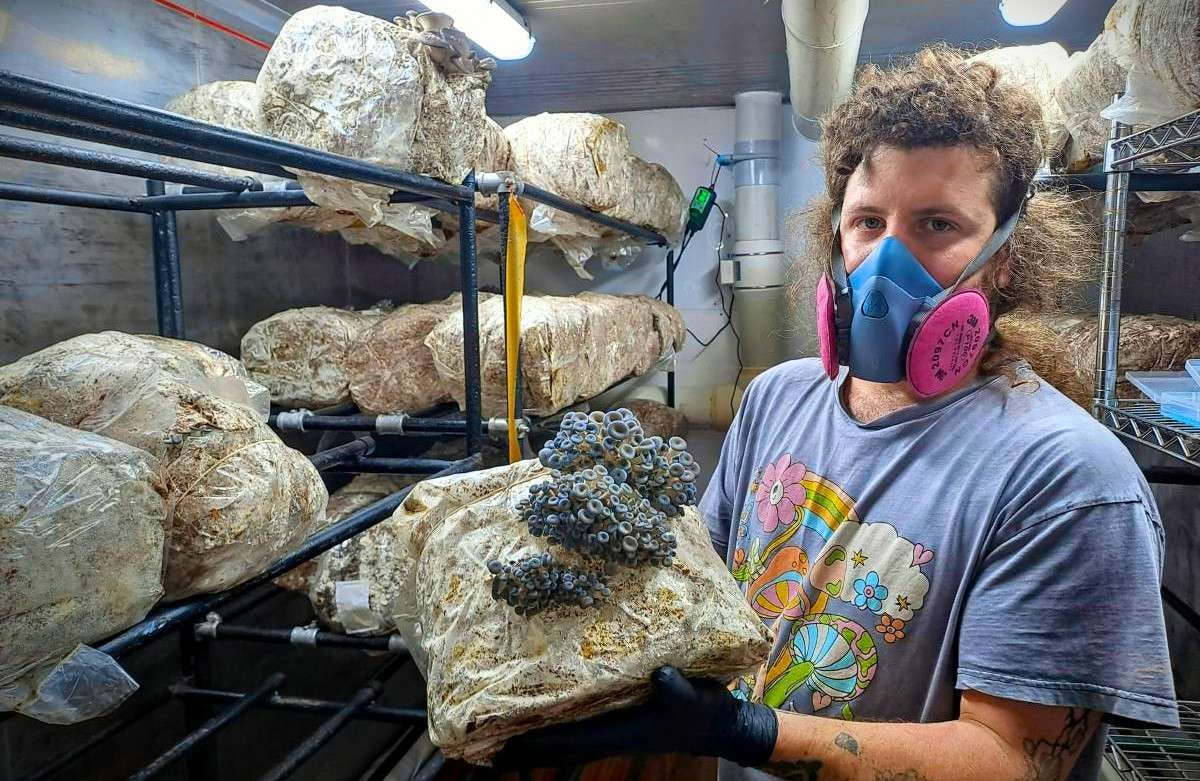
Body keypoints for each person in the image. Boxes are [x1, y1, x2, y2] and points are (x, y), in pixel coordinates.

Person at [496, 46, 1179, 780]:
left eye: (938, 225)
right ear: (836, 234)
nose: (889, 260)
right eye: (869, 222)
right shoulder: (776, 398)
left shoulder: (1070, 477)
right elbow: (707, 600)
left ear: (1008, 256)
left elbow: (1013, 757)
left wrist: (749, 732)